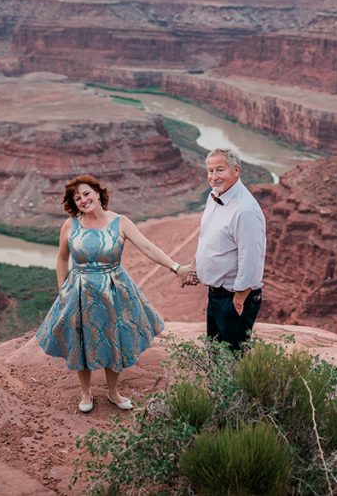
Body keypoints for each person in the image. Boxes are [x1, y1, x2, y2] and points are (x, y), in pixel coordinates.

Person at [36, 174, 189, 413]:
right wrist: (63, 290)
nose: (83, 200)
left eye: (86, 194)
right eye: (77, 198)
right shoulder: (70, 225)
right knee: (81, 340)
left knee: (115, 339)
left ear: (97, 193)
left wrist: (176, 267)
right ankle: (86, 392)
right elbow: (62, 258)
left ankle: (113, 391)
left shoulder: (121, 222)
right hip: (80, 289)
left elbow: (147, 247)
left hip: (114, 289)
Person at [188, 148, 266, 351]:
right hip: (216, 295)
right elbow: (207, 237)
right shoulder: (214, 196)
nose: (213, 177)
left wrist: (238, 301)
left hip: (234, 297)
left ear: (236, 170)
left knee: (233, 359)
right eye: (210, 171)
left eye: (220, 170)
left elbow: (251, 259)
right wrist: (196, 267)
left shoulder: (244, 210)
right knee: (215, 355)